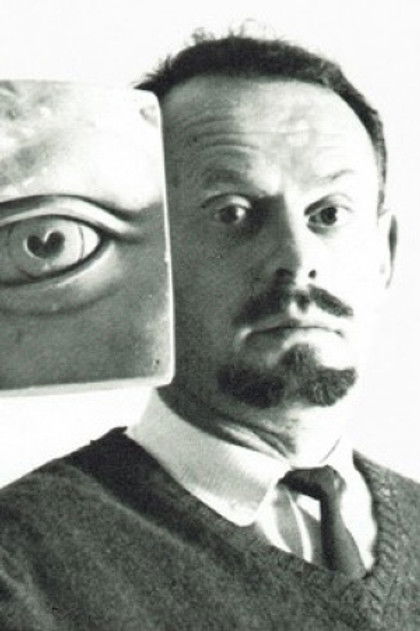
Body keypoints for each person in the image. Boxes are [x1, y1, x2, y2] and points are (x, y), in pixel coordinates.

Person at [0, 33, 419, 630]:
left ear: (385, 256)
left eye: (328, 213)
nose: (297, 258)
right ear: (143, 259)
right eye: (233, 212)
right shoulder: (19, 563)